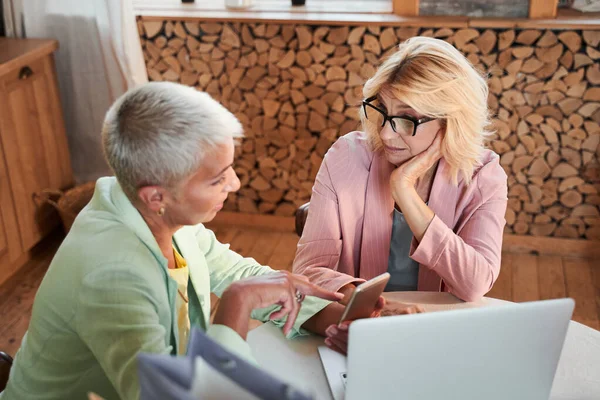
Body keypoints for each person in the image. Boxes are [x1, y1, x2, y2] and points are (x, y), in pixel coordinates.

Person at [1, 82, 360, 400]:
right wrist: (237, 301)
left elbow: (240, 273)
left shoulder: (151, 208)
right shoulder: (112, 275)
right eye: (218, 179)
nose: (234, 184)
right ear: (156, 197)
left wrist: (347, 320)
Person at [294, 36, 508, 306]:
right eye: (382, 111)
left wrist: (405, 191)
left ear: (450, 122)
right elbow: (307, 272)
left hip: (438, 327)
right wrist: (364, 306)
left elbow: (475, 283)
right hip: (359, 324)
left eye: (406, 120)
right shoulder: (346, 157)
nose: (385, 133)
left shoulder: (483, 175)